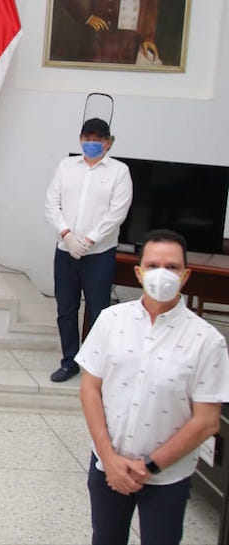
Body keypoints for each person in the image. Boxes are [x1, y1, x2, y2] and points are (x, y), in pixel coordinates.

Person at [77, 229, 229, 545]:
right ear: (139, 272)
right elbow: (90, 389)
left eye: (172, 267)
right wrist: (109, 457)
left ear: (185, 275)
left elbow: (207, 421)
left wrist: (148, 467)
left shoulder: (207, 341)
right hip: (107, 465)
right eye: (153, 265)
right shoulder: (110, 320)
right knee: (105, 538)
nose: (162, 273)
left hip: (167, 476)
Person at [44, 117, 133, 383]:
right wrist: (68, 235)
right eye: (87, 138)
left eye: (98, 140)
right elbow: (52, 204)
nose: (92, 143)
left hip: (100, 253)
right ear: (80, 139)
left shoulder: (119, 171)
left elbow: (117, 212)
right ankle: (69, 360)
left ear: (108, 142)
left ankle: (94, 365)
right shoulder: (66, 166)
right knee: (66, 309)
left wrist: (90, 240)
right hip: (65, 248)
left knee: (98, 310)